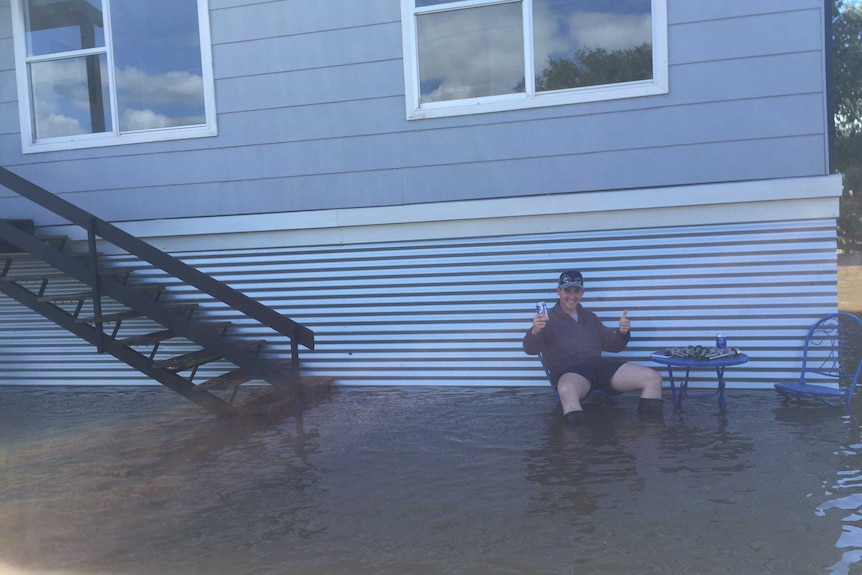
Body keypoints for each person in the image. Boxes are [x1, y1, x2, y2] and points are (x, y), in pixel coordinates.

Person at [523, 270, 663, 425]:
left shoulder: (590, 317)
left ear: (582, 292)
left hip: (599, 367)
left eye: (576, 290)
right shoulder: (546, 320)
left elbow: (614, 345)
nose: (572, 295)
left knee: (653, 378)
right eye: (567, 290)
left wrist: (623, 332)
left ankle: (651, 435)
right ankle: (576, 445)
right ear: (558, 291)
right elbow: (530, 349)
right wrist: (534, 331)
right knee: (567, 390)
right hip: (570, 372)